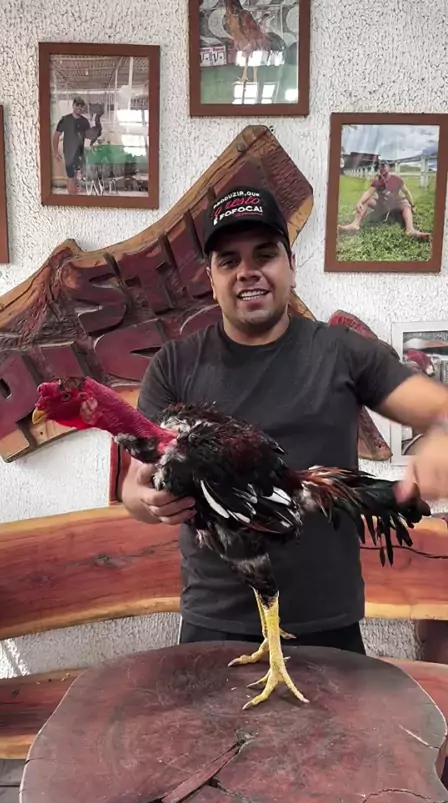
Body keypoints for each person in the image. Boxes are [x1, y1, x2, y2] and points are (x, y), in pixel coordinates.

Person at [122, 185, 448, 655]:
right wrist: (146, 502)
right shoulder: (174, 365)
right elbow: (134, 486)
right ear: (211, 279)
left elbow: (437, 407)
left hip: (327, 621)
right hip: (216, 621)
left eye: (265, 254)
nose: (247, 271)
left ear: (291, 267)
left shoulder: (340, 352)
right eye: (228, 261)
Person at [339, 161, 430, 240]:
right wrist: (360, 202)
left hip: (395, 205)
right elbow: (368, 192)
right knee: (367, 200)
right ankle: (355, 224)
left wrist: (413, 205)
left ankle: (410, 230)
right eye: (379, 166)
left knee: (406, 204)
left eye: (383, 165)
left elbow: (406, 192)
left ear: (389, 167)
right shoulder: (377, 181)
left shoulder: (396, 179)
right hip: (382, 206)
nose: (381, 168)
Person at [52, 97, 91, 194]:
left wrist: (89, 149)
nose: (79, 108)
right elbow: (56, 136)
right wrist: (55, 152)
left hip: (80, 152)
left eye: (81, 106)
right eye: (77, 105)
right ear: (73, 106)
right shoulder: (65, 119)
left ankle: (74, 190)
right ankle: (71, 195)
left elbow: (88, 138)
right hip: (69, 152)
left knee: (76, 173)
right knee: (70, 175)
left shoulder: (85, 122)